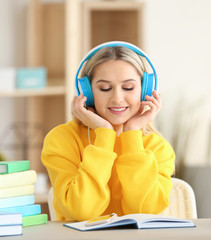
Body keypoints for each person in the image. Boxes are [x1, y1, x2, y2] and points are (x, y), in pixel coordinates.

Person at [41, 41, 175, 221]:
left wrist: (132, 134)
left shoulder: (158, 147)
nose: (117, 98)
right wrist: (104, 134)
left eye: (128, 87)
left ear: (145, 91)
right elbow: (82, 211)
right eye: (104, 88)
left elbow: (146, 211)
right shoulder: (62, 139)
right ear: (87, 92)